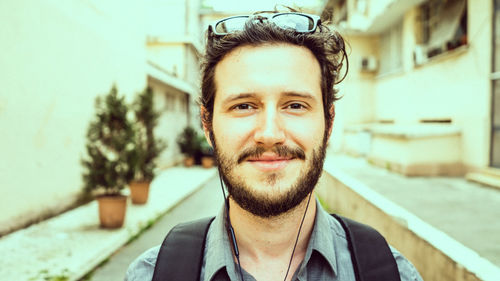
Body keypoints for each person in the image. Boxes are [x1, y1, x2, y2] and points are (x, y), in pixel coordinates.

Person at [125, 10, 424, 281]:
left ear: (329, 122)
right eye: (244, 106)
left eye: (295, 105)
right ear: (207, 124)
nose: (269, 134)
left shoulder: (394, 274)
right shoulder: (149, 276)